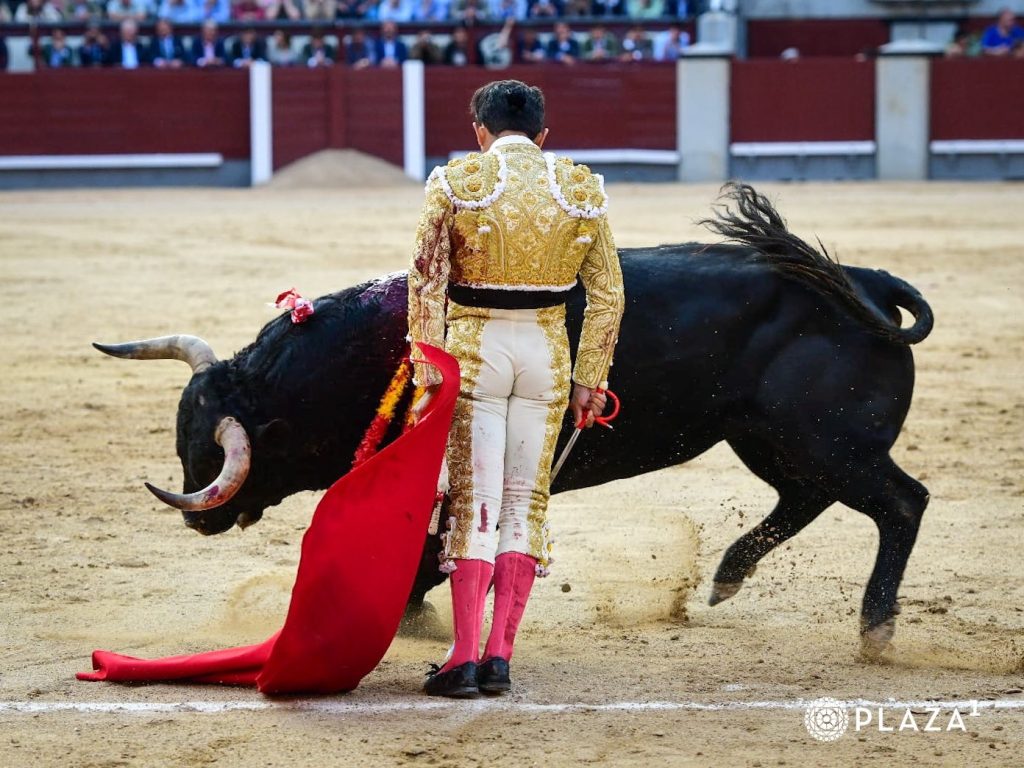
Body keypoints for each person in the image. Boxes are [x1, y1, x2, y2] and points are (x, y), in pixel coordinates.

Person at [408, 80, 624, 698]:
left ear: (479, 131)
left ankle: (461, 661)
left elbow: (424, 284)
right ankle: (500, 658)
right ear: (543, 135)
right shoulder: (581, 189)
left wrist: (429, 377)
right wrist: (591, 379)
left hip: (477, 352)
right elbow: (609, 292)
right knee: (523, 503)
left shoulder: (456, 183)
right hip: (548, 356)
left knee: (474, 501)